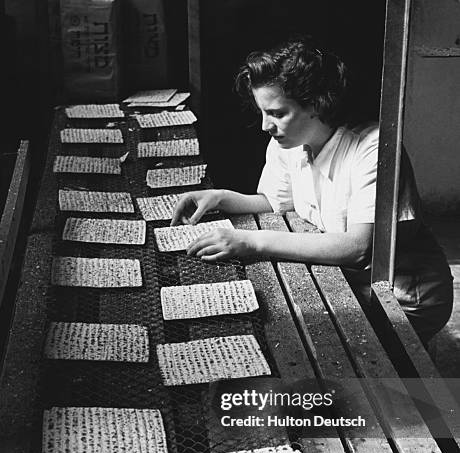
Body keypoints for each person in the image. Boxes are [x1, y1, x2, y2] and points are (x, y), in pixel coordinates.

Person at [171, 37, 453, 345]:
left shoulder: (373, 148)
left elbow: (358, 247)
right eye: (263, 112)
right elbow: (273, 201)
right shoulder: (289, 141)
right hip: (346, 276)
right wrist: (221, 197)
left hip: (402, 294)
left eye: (277, 113)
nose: (266, 125)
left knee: (305, 343)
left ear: (317, 104)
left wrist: (251, 240)